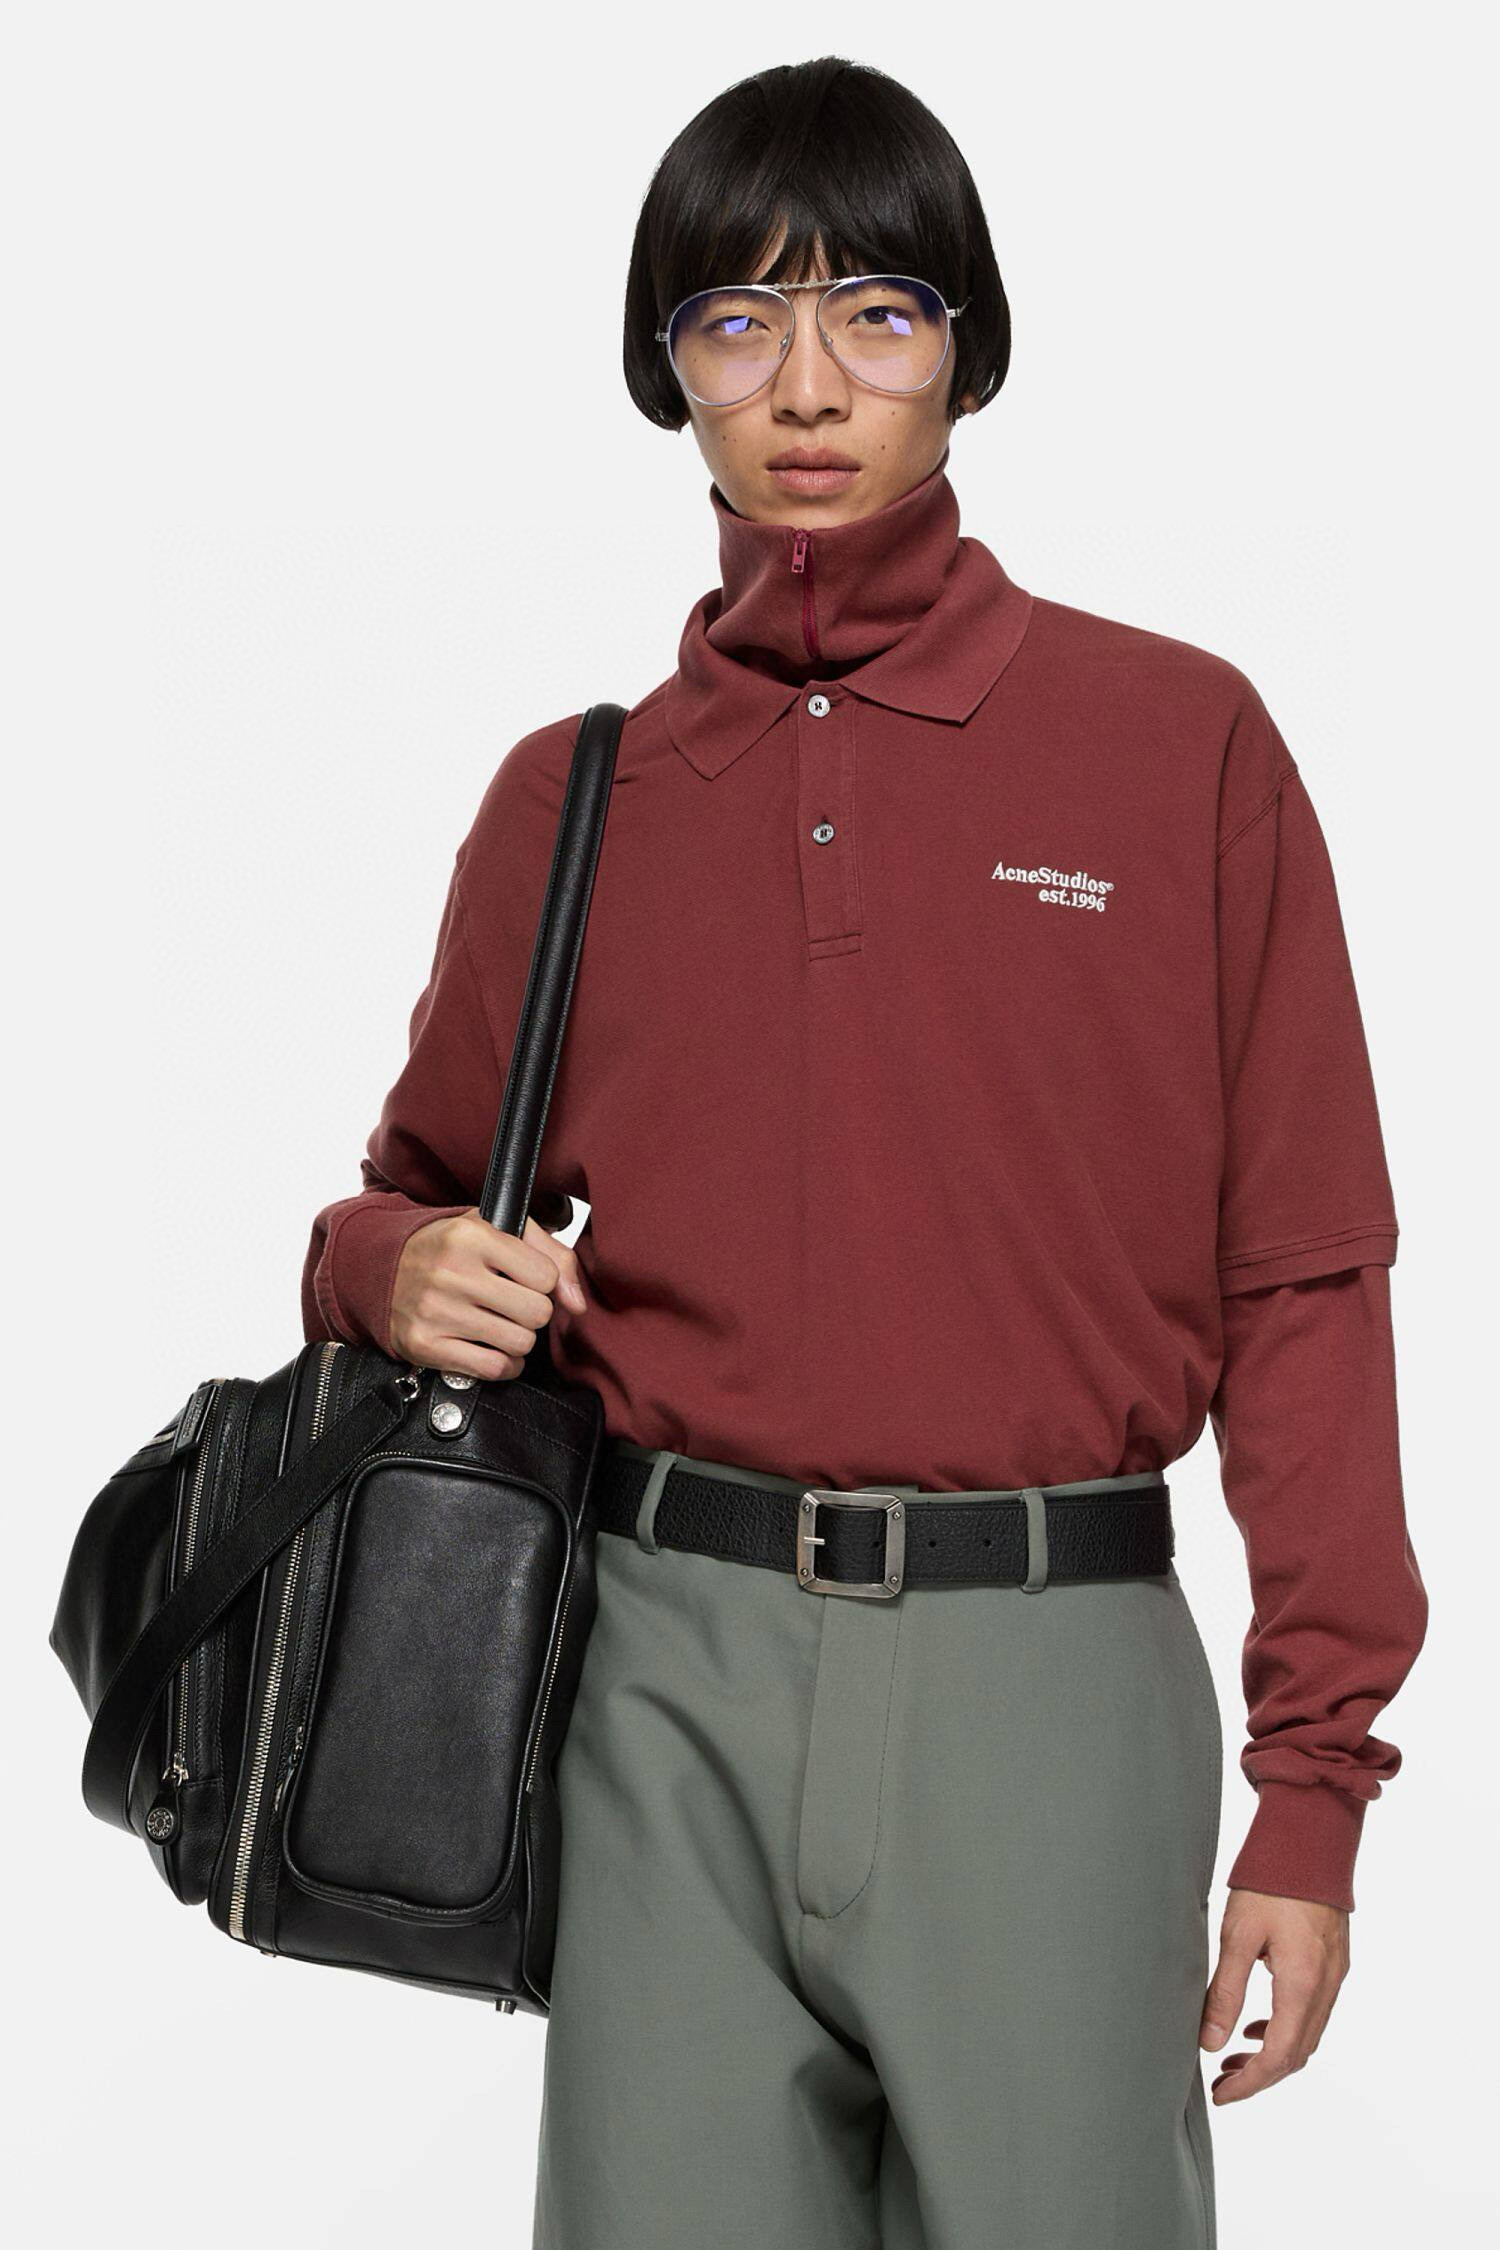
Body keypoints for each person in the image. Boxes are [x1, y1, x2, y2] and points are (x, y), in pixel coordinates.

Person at [301, 55, 1427, 2250]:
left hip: (1053, 1673)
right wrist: (385, 1265)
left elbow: (1306, 1276)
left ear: (968, 352)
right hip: (659, 1672)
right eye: (738, 322)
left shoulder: (1179, 741)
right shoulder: (578, 799)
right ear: (669, 373)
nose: (807, 386)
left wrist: (1316, 1789)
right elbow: (410, 1193)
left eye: (877, 315)